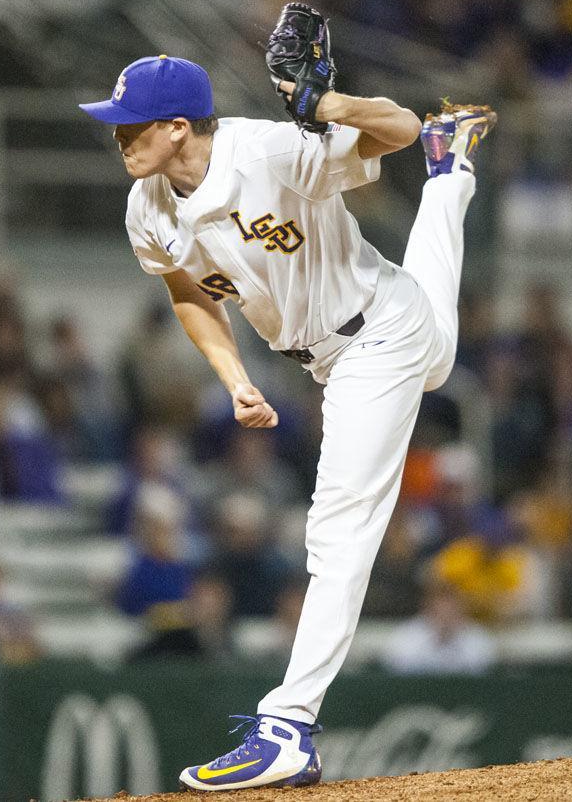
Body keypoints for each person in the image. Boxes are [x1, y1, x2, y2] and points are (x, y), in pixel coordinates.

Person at [79, 48, 495, 791]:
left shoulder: (267, 151)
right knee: (440, 349)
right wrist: (235, 378)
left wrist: (330, 107)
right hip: (351, 340)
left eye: (129, 124)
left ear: (179, 127)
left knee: (338, 527)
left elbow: (395, 126)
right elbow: (189, 292)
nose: (118, 136)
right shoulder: (147, 206)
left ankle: (287, 725)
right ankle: (452, 168)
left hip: (373, 337)